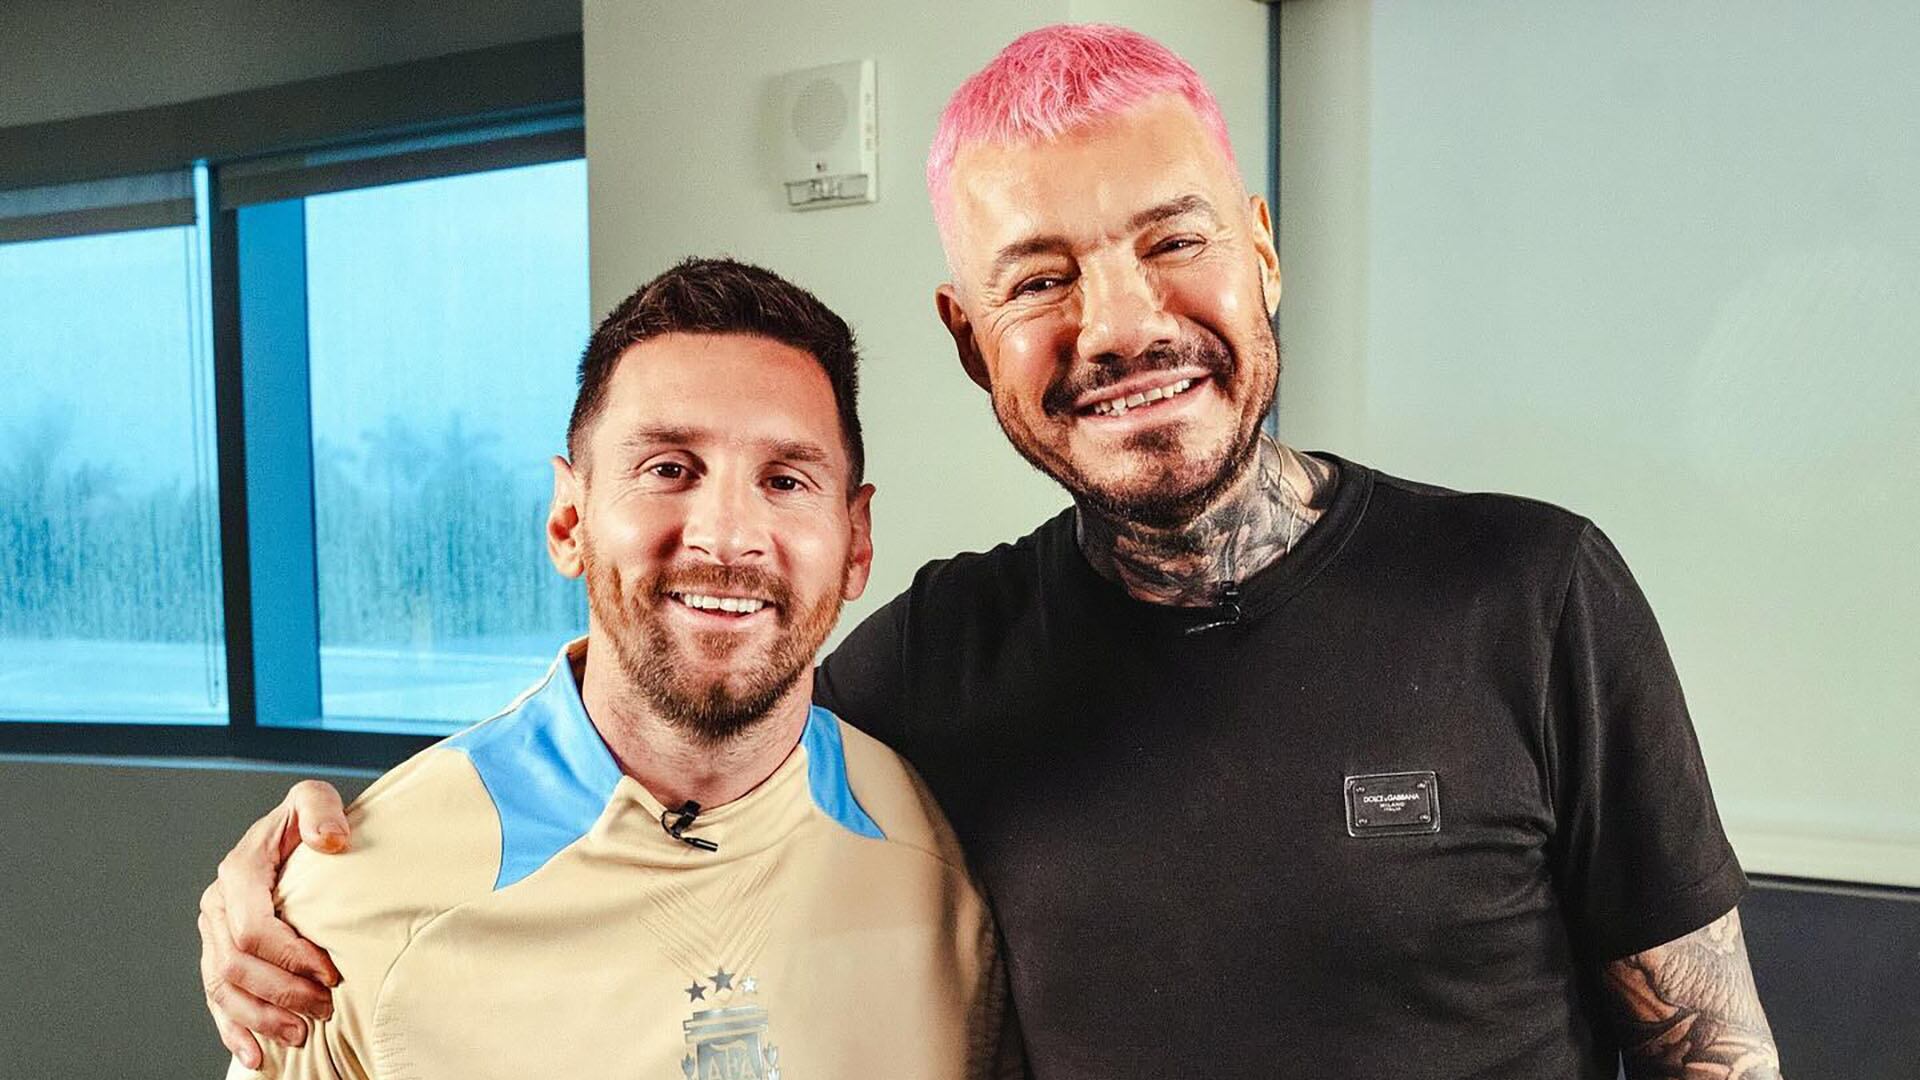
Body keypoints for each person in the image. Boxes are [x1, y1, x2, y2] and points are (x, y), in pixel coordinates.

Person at [201, 25, 1782, 1080]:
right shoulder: (934, 668)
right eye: (1039, 279)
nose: (1123, 324)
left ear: (1261, 252)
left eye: (1173, 240)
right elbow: (697, 694)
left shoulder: (1530, 595)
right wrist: (314, 871)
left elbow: (1714, 1052)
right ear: (973, 343)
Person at [211, 257, 1013, 1078]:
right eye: (669, 469)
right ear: (569, 520)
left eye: (784, 479)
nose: (727, 536)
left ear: (856, 542)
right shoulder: (357, 902)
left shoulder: (943, 864)